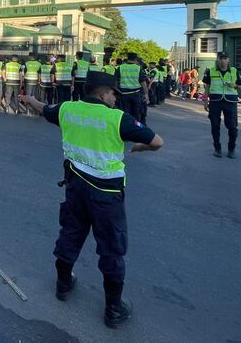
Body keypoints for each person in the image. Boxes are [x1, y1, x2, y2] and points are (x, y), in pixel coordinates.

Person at [19, 71, 163, 329]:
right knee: (111, 248)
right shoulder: (118, 119)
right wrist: (140, 147)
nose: (115, 99)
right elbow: (157, 141)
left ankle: (63, 286)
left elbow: (44, 109)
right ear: (102, 93)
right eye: (113, 94)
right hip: (106, 196)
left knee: (71, 233)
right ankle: (113, 309)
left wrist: (30, 100)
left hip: (75, 188)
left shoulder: (67, 110)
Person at [202, 52, 241, 158]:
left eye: (225, 58)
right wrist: (205, 101)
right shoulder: (210, 71)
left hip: (230, 102)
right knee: (215, 126)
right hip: (215, 101)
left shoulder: (234, 71)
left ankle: (231, 148)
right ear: (217, 60)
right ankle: (217, 148)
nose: (223, 60)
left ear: (228, 60)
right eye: (221, 58)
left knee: (233, 127)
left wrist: (235, 86)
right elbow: (206, 87)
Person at [115, 53, 148, 122]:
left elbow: (115, 80)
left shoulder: (120, 67)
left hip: (124, 94)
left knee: (125, 113)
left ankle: (127, 126)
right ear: (135, 59)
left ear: (127, 58)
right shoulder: (138, 68)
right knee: (136, 113)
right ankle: (135, 128)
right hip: (136, 94)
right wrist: (146, 93)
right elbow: (143, 82)